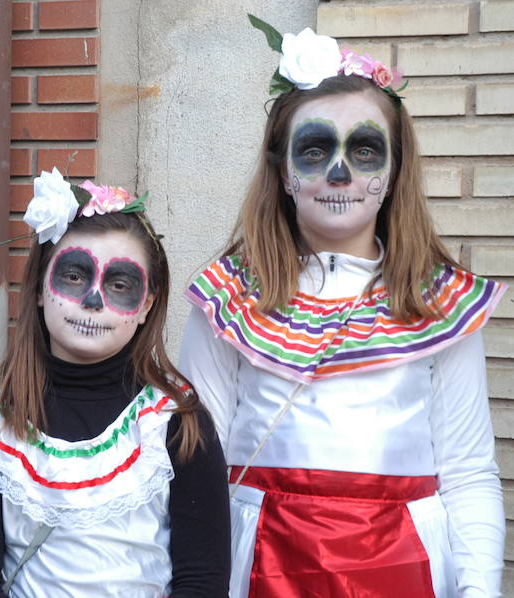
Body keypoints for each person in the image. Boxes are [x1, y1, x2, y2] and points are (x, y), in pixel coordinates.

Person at [179, 19, 506, 598]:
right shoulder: (229, 297)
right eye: (314, 149)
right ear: (283, 172)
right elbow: (197, 468)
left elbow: (468, 473)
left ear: (394, 169)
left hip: (403, 569)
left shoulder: (439, 302)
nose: (339, 173)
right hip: (259, 566)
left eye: (363, 149)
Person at [0, 169, 230, 597]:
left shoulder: (175, 422)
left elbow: (202, 579)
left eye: (120, 283)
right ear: (38, 287)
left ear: (146, 305)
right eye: (74, 275)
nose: (93, 301)